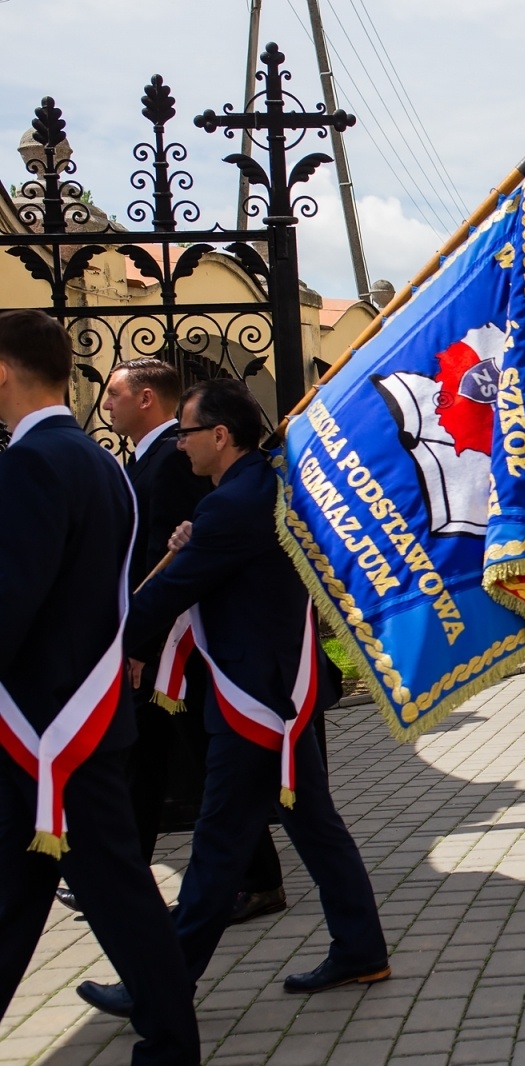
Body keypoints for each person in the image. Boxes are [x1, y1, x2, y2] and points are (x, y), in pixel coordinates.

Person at [78, 378, 388, 1019]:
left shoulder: (234, 505)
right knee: (315, 824)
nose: (181, 445)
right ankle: (360, 947)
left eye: (188, 432)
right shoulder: (256, 490)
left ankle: (157, 986)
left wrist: (105, 646)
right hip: (278, 692)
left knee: (218, 847)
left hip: (251, 700)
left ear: (221, 436)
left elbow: (167, 595)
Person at [0, 310, 200, 1064]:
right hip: (74, 717)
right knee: (21, 897)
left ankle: (173, 1042)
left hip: (50, 727)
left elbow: (12, 597)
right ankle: (171, 1037)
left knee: (117, 898)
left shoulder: (29, 464)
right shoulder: (96, 462)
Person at [60, 358, 288, 926]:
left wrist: (131, 641)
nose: (105, 405)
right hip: (170, 639)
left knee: (185, 764)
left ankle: (157, 893)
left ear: (145, 399)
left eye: (114, 394)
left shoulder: (173, 463)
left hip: (182, 644)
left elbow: (179, 566)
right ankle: (132, 878)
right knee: (161, 761)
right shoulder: (156, 459)